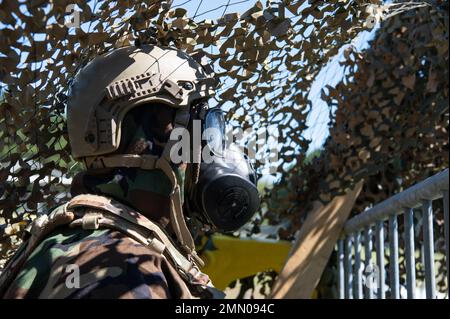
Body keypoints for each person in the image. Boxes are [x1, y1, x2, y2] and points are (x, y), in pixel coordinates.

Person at [0, 44, 259, 299]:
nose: (204, 152)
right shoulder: (120, 267)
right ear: (154, 138)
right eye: (201, 129)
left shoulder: (79, 239)